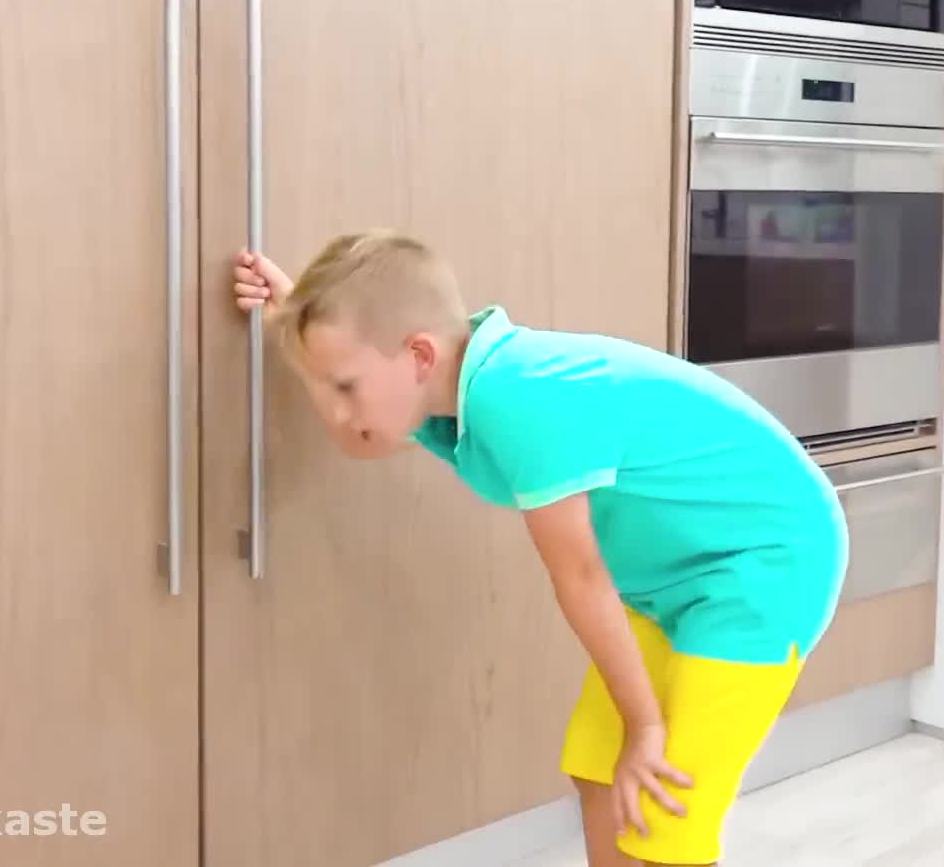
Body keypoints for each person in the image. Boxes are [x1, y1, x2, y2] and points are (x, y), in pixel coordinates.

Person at [231, 230, 848, 867]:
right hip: (674, 578)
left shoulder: (519, 399)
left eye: (344, 389)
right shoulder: (452, 392)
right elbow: (370, 402)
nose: (334, 413)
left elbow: (580, 577)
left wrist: (647, 725)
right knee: (599, 765)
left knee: (667, 796)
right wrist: (297, 315)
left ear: (419, 355)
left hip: (766, 565)